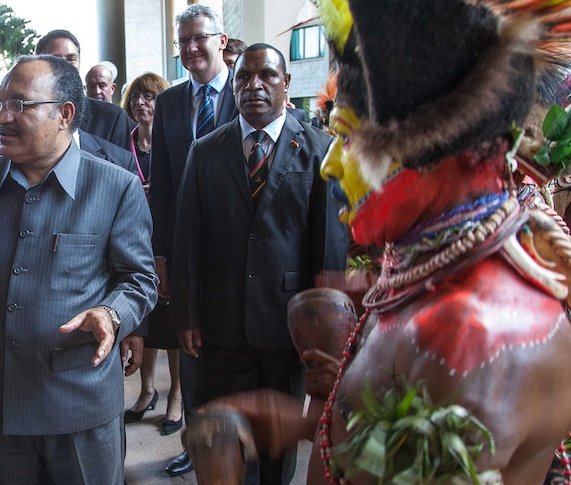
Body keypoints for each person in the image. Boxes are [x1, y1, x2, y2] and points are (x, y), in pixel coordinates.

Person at [204, 1, 571, 483]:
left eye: (350, 138)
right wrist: (310, 422)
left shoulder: (469, 334)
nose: (330, 165)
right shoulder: (429, 274)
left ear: (429, 151)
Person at [0, 54, 158, 485]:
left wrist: (111, 313)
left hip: (79, 398)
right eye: (1, 103)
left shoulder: (116, 186)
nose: (3, 117)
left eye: (20, 105)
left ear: (65, 114)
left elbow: (140, 280)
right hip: (2, 396)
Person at [172, 43, 348, 484]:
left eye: (267, 76)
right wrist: (188, 315)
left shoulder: (319, 149)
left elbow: (328, 251)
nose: (254, 85)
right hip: (223, 321)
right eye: (244, 77)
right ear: (232, 86)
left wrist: (323, 336)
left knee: (275, 446)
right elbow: (188, 240)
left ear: (286, 84)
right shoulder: (206, 150)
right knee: (225, 433)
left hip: (287, 327)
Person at [148, 3, 239, 476]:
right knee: (193, 354)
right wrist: (160, 255)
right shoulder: (169, 103)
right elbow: (160, 186)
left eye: (198, 39)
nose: (189, 49)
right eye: (181, 42)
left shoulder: (249, 94)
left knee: (235, 351)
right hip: (185, 255)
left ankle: (241, 444)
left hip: (238, 253)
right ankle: (197, 444)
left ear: (221, 41)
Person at [119, 72, 185, 434]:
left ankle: (176, 394)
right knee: (145, 318)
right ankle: (146, 390)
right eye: (136, 98)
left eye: (150, 97)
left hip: (165, 239)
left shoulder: (173, 141)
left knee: (172, 320)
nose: (142, 104)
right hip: (133, 239)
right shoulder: (122, 141)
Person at [36, 29, 134, 151]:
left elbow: (122, 168)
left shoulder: (111, 117)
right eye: (55, 58)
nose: (64, 65)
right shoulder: (23, 113)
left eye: (71, 59)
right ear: (37, 62)